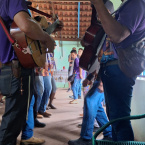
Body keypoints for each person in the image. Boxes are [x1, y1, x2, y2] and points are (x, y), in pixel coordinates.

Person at [0, 0, 55, 145]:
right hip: (17, 69)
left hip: (7, 67)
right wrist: (46, 37)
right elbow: (25, 25)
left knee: (14, 116)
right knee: (12, 120)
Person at [90, 0, 145, 141]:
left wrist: (98, 4)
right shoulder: (131, 5)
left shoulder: (135, 3)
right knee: (116, 118)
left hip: (118, 70)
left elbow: (117, 35)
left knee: (119, 120)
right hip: (114, 68)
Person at [68, 81, 112, 145]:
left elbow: (105, 70)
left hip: (104, 79)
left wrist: (102, 82)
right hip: (102, 79)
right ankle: (109, 134)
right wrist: (90, 77)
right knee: (97, 106)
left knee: (90, 100)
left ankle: (86, 139)